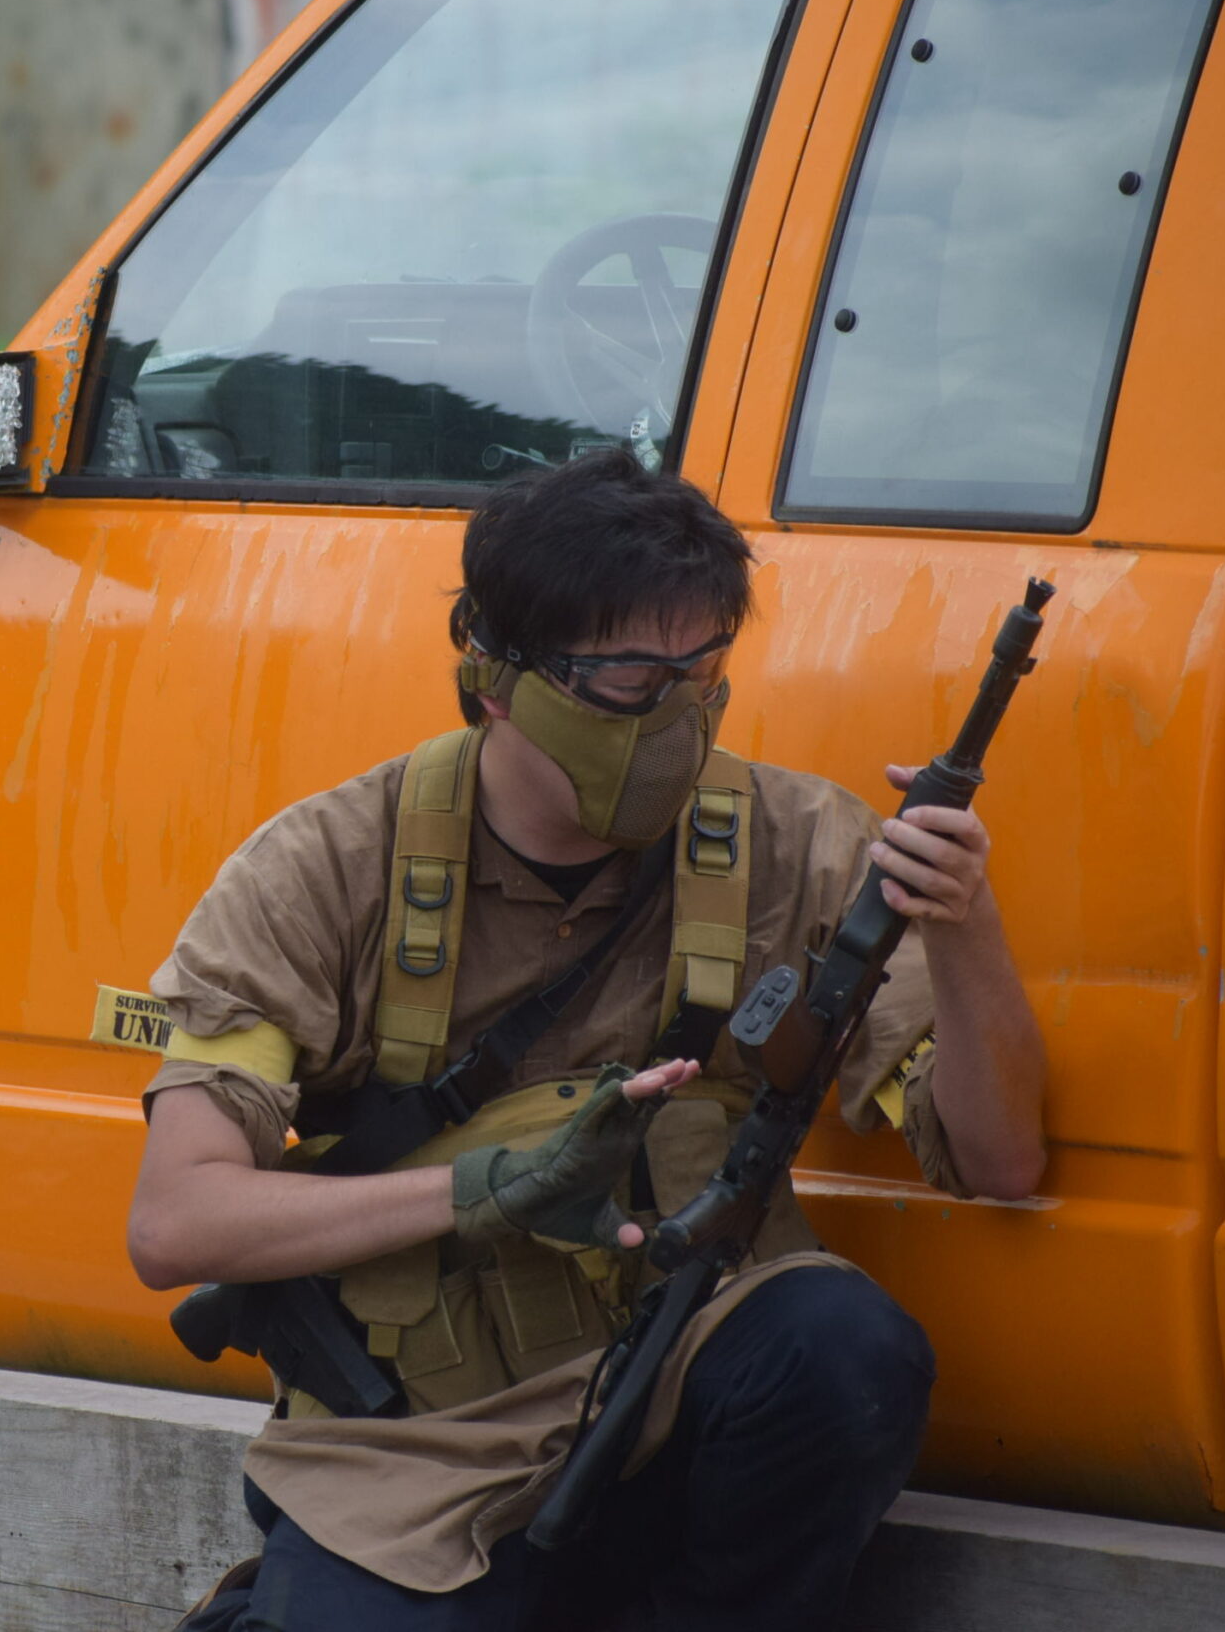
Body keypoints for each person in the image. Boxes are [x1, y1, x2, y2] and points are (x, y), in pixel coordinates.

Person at [128, 450, 1047, 1632]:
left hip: (678, 1382)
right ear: (495, 677)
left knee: (841, 1348)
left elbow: (998, 1158)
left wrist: (964, 927)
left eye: (700, 666)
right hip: (417, 1450)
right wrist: (486, 1186)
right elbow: (177, 1221)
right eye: (624, 676)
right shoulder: (323, 870)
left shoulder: (800, 839)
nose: (672, 712)